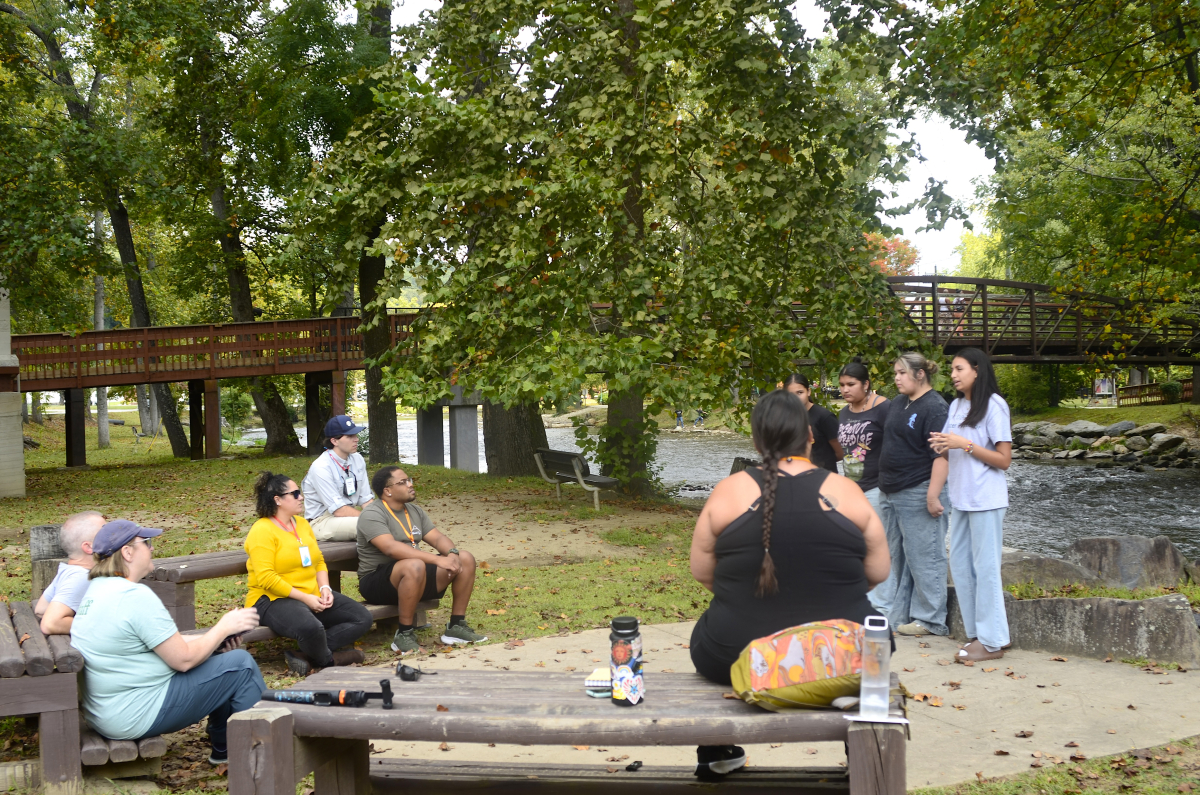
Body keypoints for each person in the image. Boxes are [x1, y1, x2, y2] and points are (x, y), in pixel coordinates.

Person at [688, 389, 889, 779]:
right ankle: (858, 752)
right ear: (810, 435)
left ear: (757, 441)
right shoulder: (847, 492)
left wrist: (744, 594)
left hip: (735, 652)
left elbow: (702, 571)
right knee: (873, 643)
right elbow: (878, 572)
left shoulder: (729, 491)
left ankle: (716, 751)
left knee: (706, 636)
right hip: (842, 654)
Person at [71, 520, 264, 764]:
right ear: (127, 552)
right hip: (134, 713)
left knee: (219, 656)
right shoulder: (133, 596)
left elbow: (162, 642)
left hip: (107, 711)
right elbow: (183, 660)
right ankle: (262, 758)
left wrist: (214, 640)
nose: (152, 548)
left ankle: (224, 749)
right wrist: (223, 627)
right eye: (146, 543)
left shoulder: (98, 590)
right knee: (242, 665)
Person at [929, 347, 1013, 663]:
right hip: (961, 499)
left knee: (986, 569)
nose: (953, 375)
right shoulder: (956, 406)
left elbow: (1003, 460)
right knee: (962, 567)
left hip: (986, 499)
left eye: (959, 368)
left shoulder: (994, 405)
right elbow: (950, 450)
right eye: (952, 369)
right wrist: (942, 446)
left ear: (977, 370)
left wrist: (964, 444)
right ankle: (980, 635)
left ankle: (993, 643)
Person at [245, 472, 372, 675]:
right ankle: (330, 660)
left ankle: (305, 655)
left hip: (310, 592)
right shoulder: (262, 530)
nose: (301, 497)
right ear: (278, 500)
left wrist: (324, 588)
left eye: (300, 493)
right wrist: (306, 599)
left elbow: (318, 560)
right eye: (295, 493)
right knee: (311, 627)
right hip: (271, 599)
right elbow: (266, 578)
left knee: (362, 617)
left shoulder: (302, 524)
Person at [356, 466, 487, 655]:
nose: (410, 484)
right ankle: (404, 635)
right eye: (403, 482)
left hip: (415, 576)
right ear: (388, 491)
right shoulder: (372, 514)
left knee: (465, 558)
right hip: (377, 582)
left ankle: (456, 626)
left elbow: (438, 538)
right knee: (414, 565)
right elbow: (390, 548)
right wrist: (437, 560)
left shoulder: (414, 511)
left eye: (409, 480)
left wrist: (452, 553)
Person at [874, 353, 951, 635]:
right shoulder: (898, 402)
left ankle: (931, 620)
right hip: (890, 490)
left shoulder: (935, 407)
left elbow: (942, 456)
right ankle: (900, 616)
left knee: (925, 556)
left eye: (902, 373)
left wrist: (933, 496)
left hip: (918, 489)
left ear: (920, 374)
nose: (896, 378)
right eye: (895, 372)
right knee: (896, 558)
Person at [303, 415, 374, 541]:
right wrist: (370, 519)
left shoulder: (357, 459)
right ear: (334, 441)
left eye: (355, 435)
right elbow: (338, 510)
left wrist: (378, 516)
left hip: (346, 517)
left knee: (390, 521)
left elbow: (365, 499)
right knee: (371, 526)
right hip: (321, 521)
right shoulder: (321, 467)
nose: (356, 439)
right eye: (350, 436)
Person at [34, 511, 104, 635]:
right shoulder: (82, 577)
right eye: (105, 533)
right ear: (89, 547)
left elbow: (41, 609)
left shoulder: (69, 571)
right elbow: (50, 623)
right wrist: (104, 627)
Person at [837, 357, 890, 511]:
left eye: (851, 384)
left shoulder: (883, 407)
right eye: (842, 385)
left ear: (865, 384)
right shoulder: (844, 412)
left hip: (876, 488)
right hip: (850, 487)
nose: (845, 390)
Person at [783, 373, 844, 473]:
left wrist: (822, 464)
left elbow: (840, 452)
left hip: (823, 476)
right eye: (791, 395)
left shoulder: (824, 417)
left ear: (808, 391)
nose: (796, 398)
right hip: (797, 475)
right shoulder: (785, 418)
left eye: (800, 392)